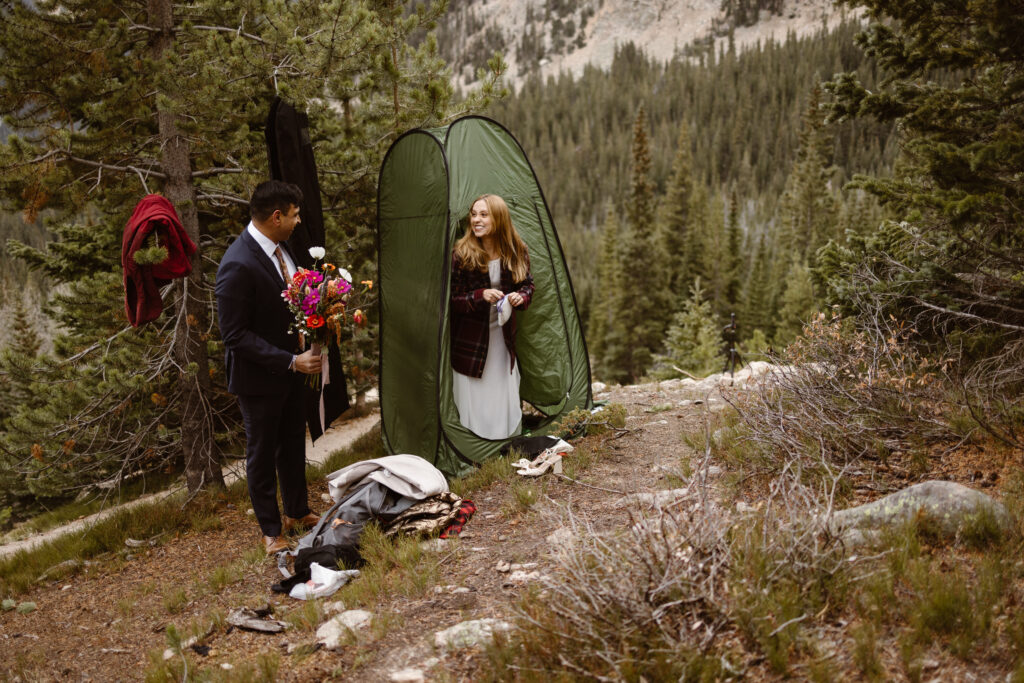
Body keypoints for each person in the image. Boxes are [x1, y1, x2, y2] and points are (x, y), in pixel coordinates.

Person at [215, 180, 323, 555]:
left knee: (293, 442)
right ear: (276, 216)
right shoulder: (237, 264)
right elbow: (234, 336)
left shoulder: (282, 247)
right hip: (260, 378)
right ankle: (270, 530)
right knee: (261, 453)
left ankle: (296, 511)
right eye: (293, 215)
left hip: (295, 370)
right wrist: (290, 361)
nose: (297, 222)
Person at [450, 194, 534, 439]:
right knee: (474, 396)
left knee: (501, 392)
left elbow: (528, 285)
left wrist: (520, 297)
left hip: (502, 338)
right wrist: (480, 295)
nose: (476, 220)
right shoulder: (461, 254)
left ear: (499, 218)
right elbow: (453, 302)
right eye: (474, 214)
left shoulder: (517, 250)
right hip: (470, 342)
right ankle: (475, 446)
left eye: (483, 215)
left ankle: (505, 442)